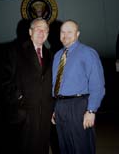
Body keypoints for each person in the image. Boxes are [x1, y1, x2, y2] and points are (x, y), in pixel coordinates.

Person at [0, 18, 53, 154]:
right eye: (38, 28)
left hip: (44, 120)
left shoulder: (50, 55)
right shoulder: (12, 51)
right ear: (30, 31)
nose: (42, 32)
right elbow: (0, 81)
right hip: (21, 118)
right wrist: (20, 98)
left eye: (45, 29)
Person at [51, 20, 105, 154]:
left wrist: (91, 110)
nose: (65, 35)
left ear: (78, 34)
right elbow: (56, 84)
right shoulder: (58, 55)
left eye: (70, 31)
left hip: (79, 106)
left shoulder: (87, 53)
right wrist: (55, 109)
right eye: (62, 32)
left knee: (81, 147)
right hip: (60, 106)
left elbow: (97, 84)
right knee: (64, 147)